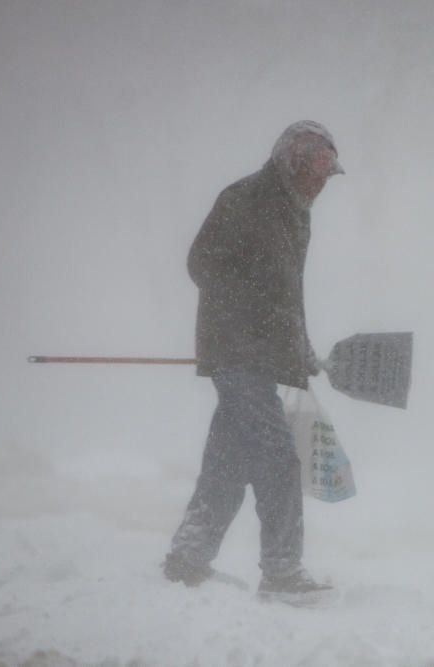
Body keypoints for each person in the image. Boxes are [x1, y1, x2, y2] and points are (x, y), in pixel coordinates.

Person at [162, 121, 344, 603]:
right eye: (316, 172)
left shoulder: (293, 212)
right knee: (278, 459)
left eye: (329, 174)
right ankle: (282, 572)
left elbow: (285, 295)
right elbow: (202, 263)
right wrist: (254, 316)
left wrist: (298, 348)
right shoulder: (246, 199)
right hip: (237, 353)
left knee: (228, 461)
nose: (322, 183)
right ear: (292, 162)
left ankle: (188, 558)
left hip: (262, 357)